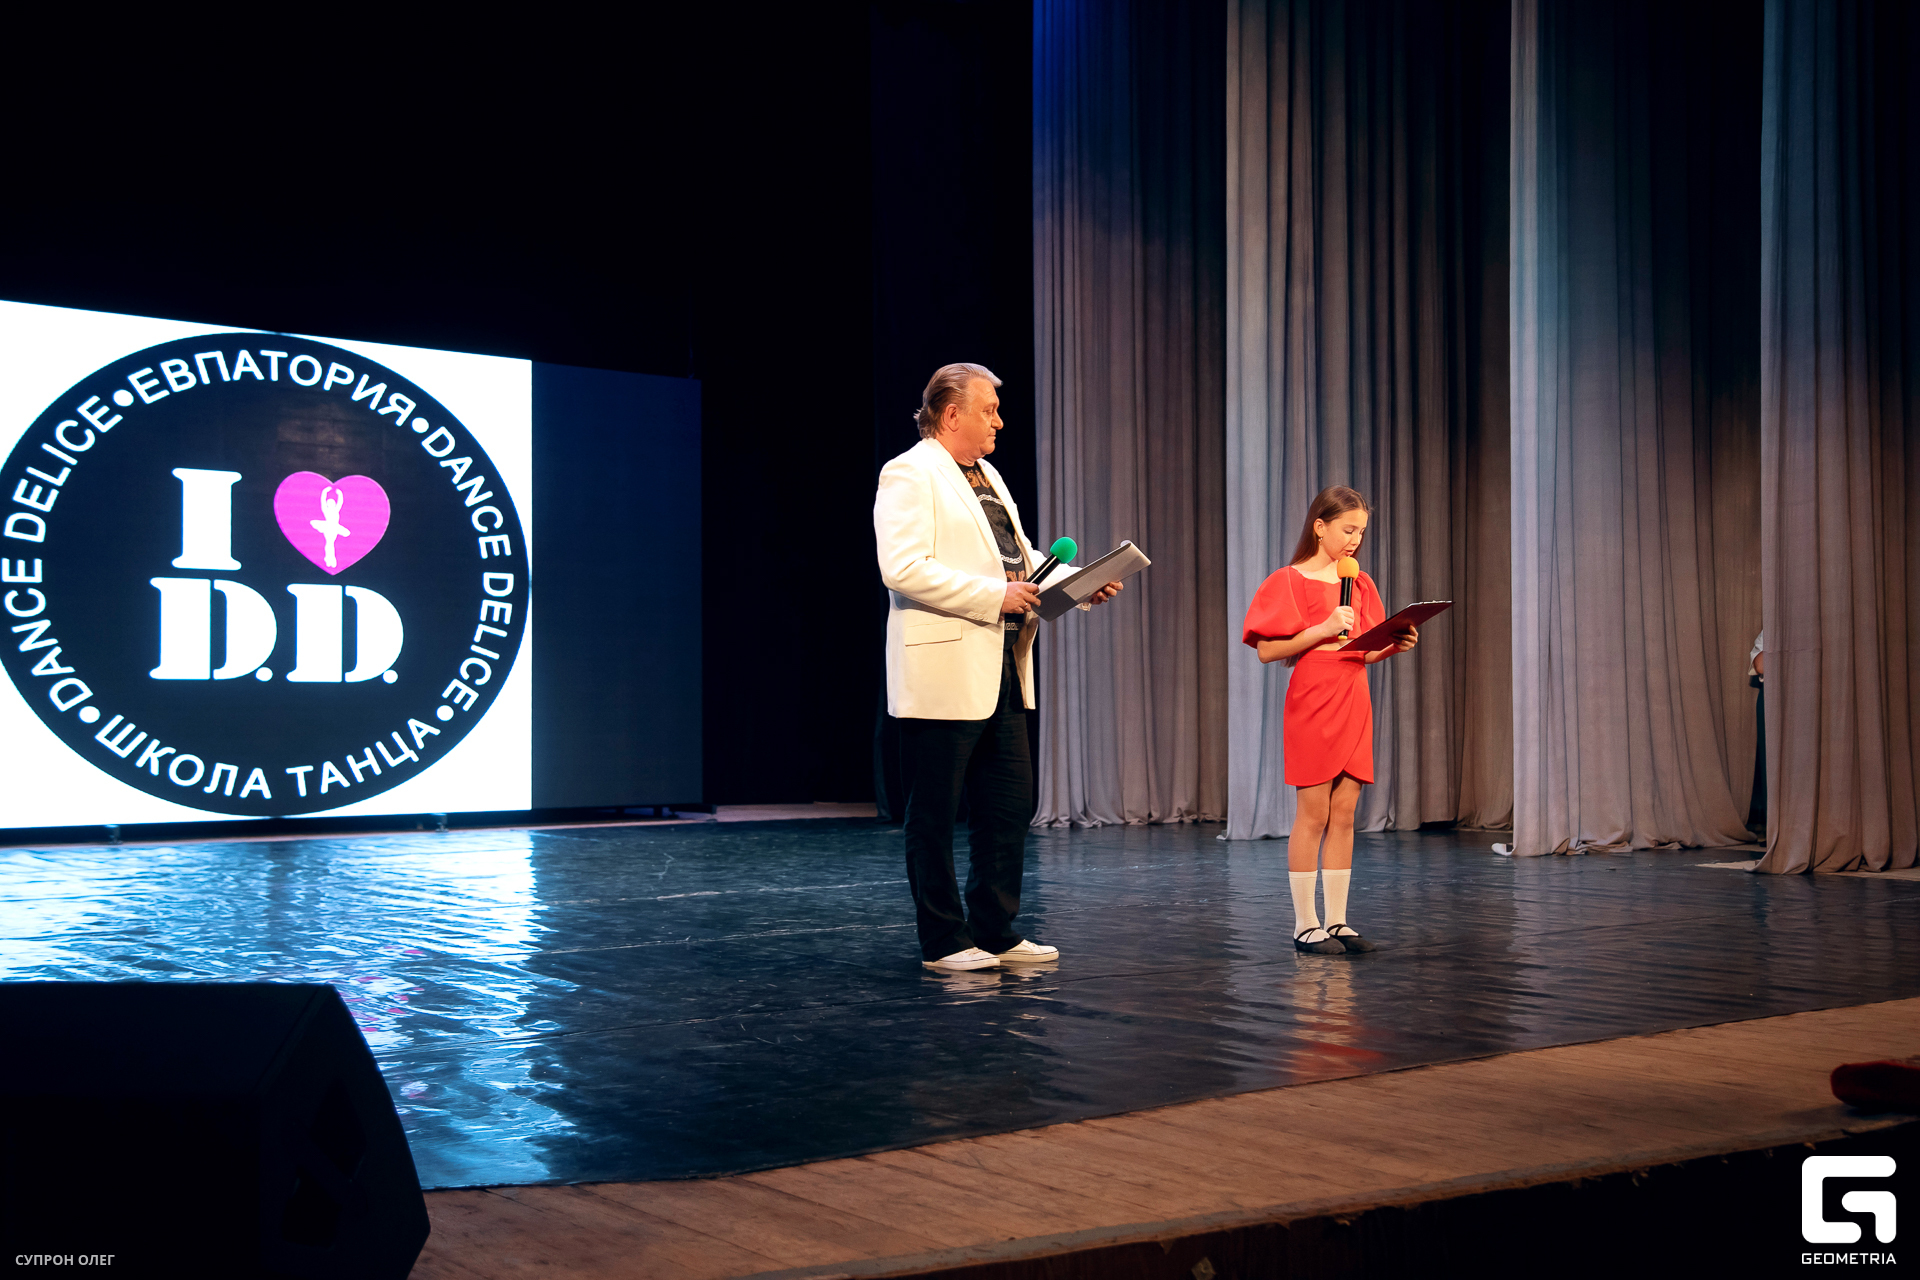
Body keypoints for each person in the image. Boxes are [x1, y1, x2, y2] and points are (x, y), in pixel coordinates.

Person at [875, 363, 1123, 972]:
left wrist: (1077, 584)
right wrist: (995, 597)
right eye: (988, 410)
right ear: (950, 414)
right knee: (934, 814)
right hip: (944, 669)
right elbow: (903, 568)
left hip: (1004, 665)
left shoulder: (987, 476)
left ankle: (995, 930)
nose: (999, 421)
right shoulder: (910, 471)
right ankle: (943, 941)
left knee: (1007, 808)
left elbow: (1021, 561)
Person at [1241, 486, 1418, 956]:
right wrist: (1319, 629)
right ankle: (1305, 925)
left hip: (1353, 692)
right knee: (1314, 812)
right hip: (1314, 694)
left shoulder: (1360, 583)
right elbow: (1267, 651)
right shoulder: (1288, 580)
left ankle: (1337, 921)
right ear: (1320, 527)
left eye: (1361, 532)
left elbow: (1363, 648)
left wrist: (1393, 645)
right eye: (1347, 530)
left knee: (1344, 812)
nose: (1355, 540)